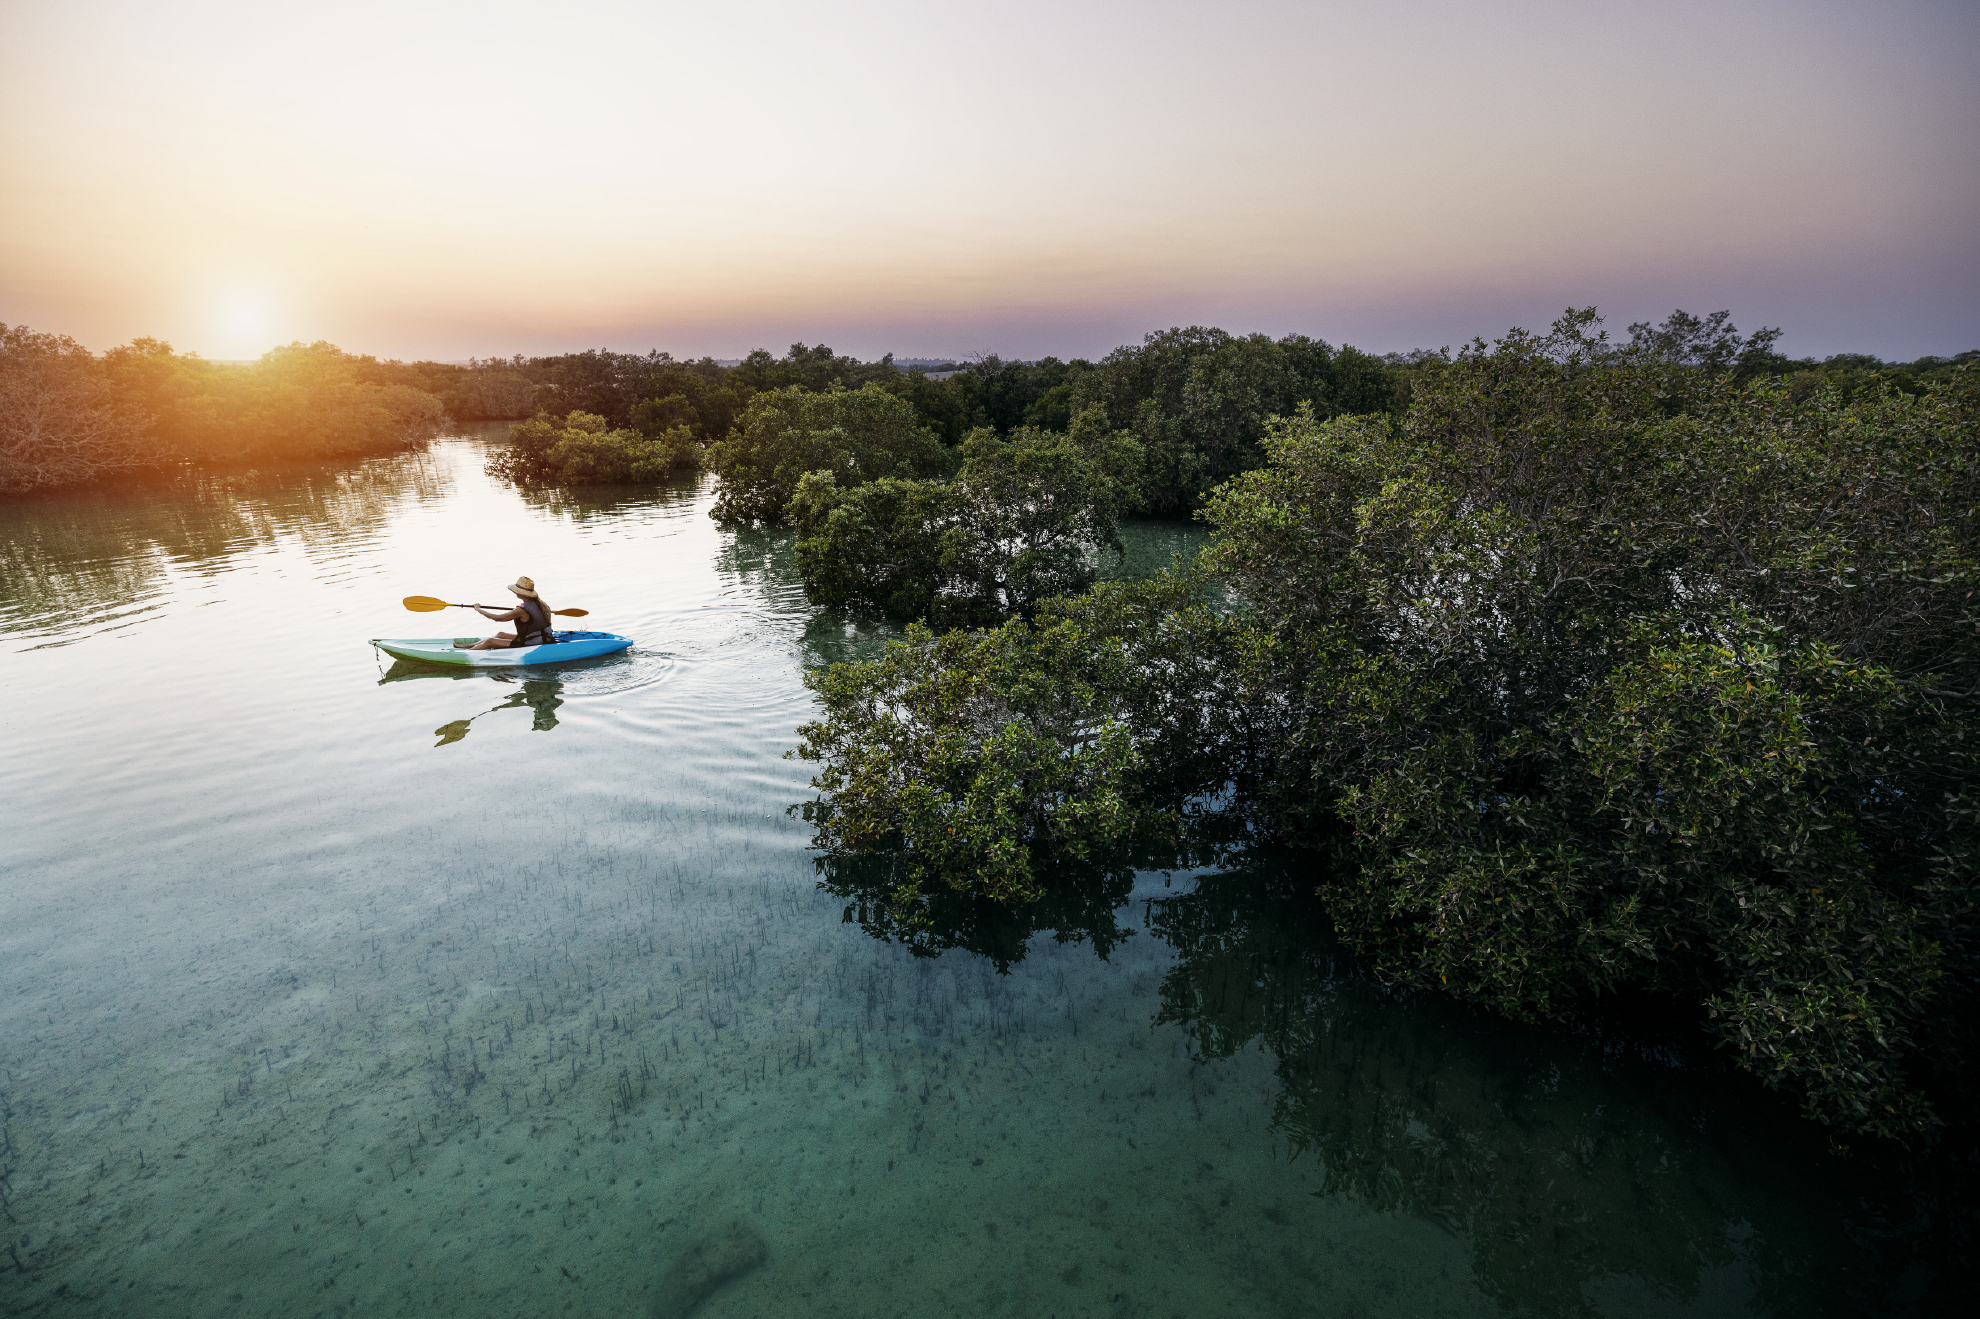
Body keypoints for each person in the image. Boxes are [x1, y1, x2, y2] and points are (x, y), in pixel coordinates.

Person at [456, 576, 558, 649]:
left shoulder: (521, 610)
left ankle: (469, 652)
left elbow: (498, 618)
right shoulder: (542, 604)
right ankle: (469, 646)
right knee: (501, 634)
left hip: (532, 643)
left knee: (489, 641)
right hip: (543, 638)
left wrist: (479, 610)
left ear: (520, 593)